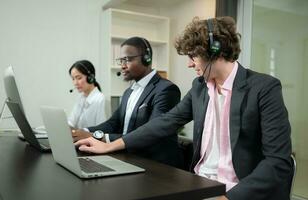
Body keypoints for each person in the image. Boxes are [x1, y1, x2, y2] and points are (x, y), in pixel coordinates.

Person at [74, 17, 293, 200]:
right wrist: (110, 145)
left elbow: (278, 162)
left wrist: (228, 198)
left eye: (192, 56)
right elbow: (165, 122)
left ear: (214, 49)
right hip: (200, 185)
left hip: (237, 192)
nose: (189, 64)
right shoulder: (200, 88)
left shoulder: (263, 88)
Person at [72, 37, 183, 168]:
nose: (122, 66)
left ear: (146, 58)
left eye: (128, 60)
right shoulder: (128, 92)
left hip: (153, 165)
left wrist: (99, 137)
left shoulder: (166, 90)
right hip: (126, 157)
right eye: (121, 60)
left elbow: (152, 134)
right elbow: (113, 123)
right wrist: (81, 132)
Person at [68, 60, 106, 129]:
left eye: (79, 78)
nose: (75, 83)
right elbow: (71, 123)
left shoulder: (100, 99)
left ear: (90, 78)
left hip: (90, 139)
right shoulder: (81, 98)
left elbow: (102, 131)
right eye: (73, 79)